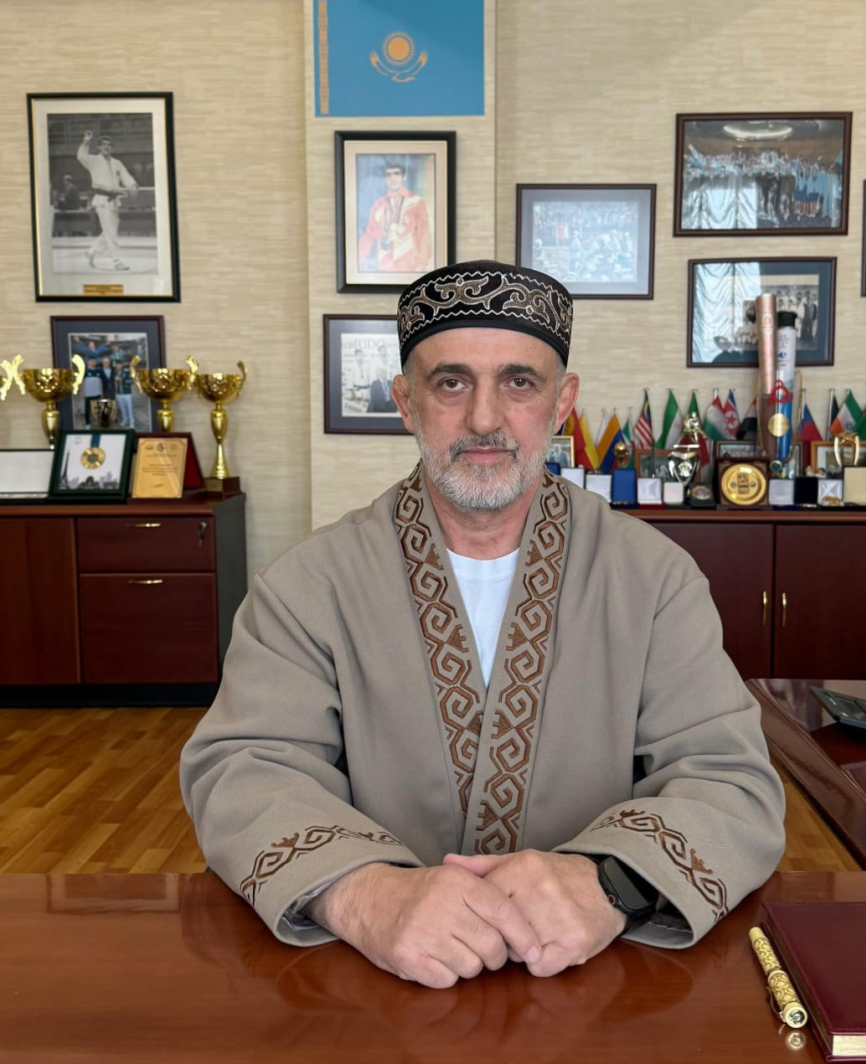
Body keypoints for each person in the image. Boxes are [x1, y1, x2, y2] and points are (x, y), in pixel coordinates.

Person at [180, 260, 785, 990]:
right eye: (451, 383)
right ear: (406, 402)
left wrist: (611, 885)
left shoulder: (653, 579)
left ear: (562, 401)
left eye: (519, 382)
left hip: (602, 983)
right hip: (375, 986)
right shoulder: (308, 586)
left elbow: (730, 782)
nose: (485, 419)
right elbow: (243, 770)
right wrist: (366, 896)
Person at [76, 130, 138, 271]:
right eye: (103, 144)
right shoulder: (93, 161)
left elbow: (126, 176)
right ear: (99, 147)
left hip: (114, 201)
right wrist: (86, 141)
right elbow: (81, 156)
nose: (106, 147)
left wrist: (132, 186)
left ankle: (91, 251)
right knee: (111, 233)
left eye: (109, 145)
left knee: (110, 231)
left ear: (112, 148)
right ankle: (117, 261)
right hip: (102, 200)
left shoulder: (117, 163)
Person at [357, 157, 432, 273]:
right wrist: (357, 260)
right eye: (389, 174)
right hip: (384, 268)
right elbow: (368, 236)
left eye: (396, 173)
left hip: (411, 268)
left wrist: (421, 265)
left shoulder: (416, 202)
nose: (393, 178)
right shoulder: (378, 205)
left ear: (404, 176)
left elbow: (424, 235)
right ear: (384, 179)